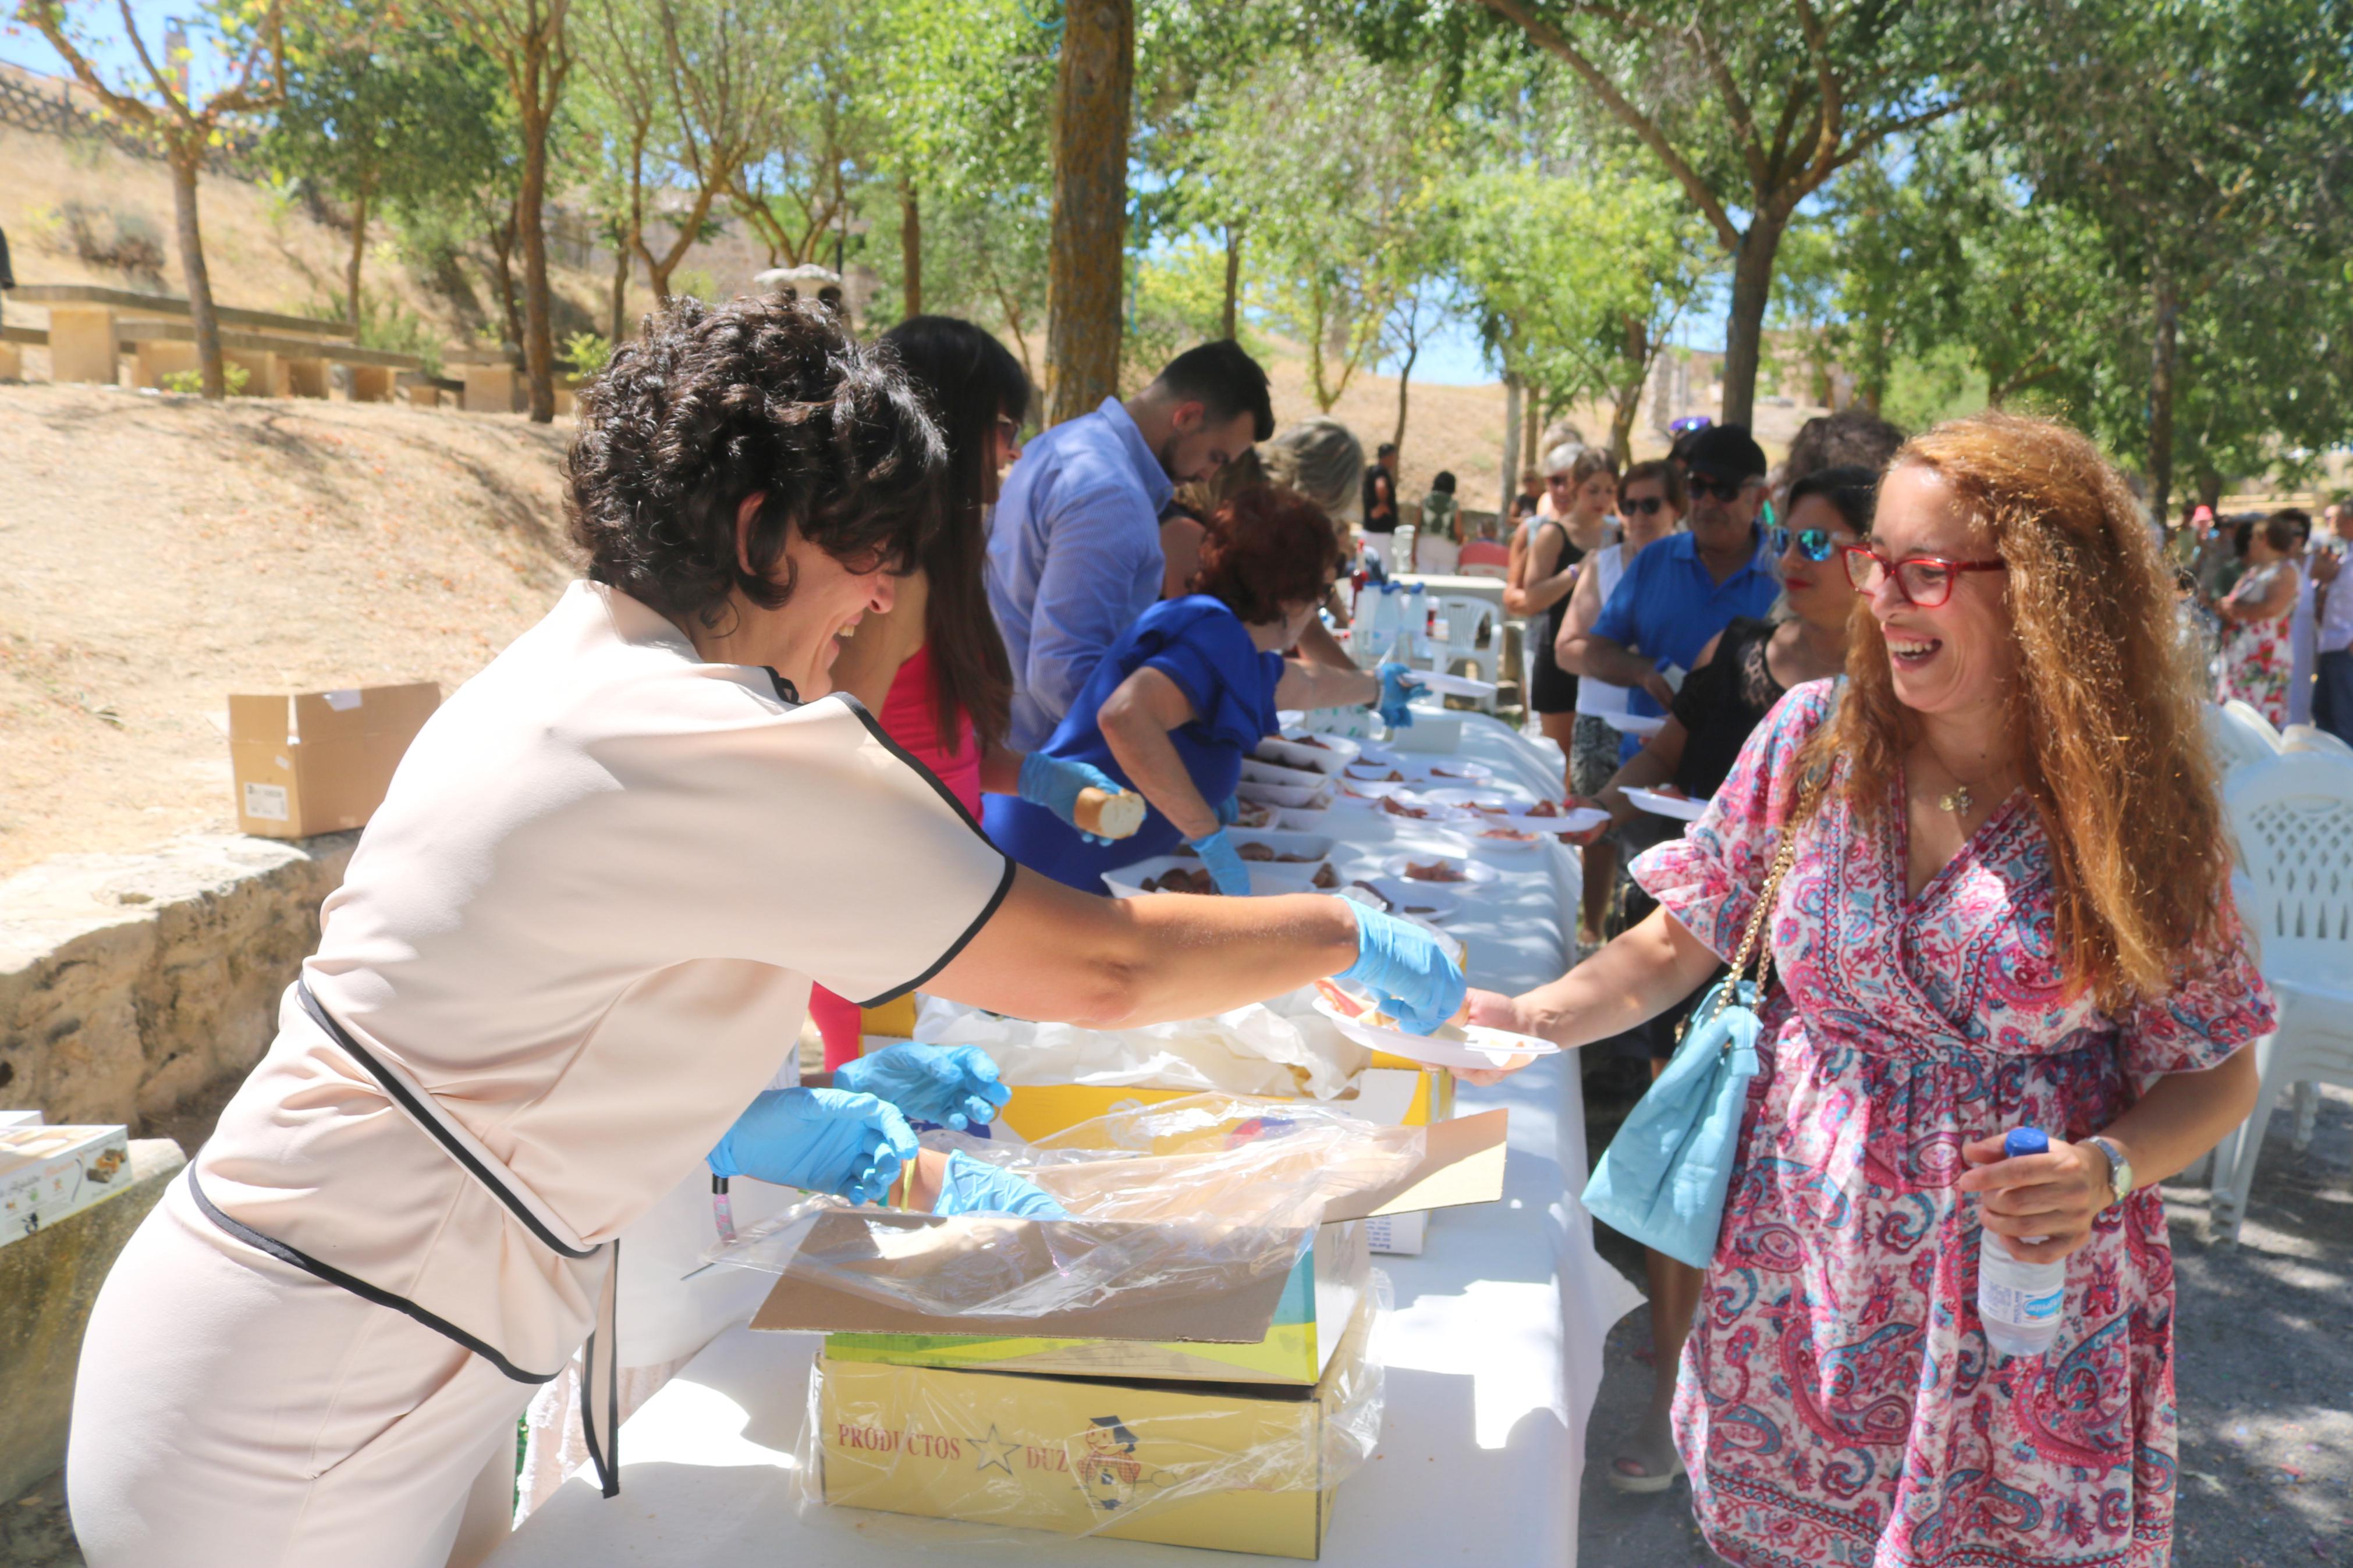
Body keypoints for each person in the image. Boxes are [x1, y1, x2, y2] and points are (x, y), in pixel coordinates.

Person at [65, 300, 1462, 1568]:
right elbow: (1105, 966)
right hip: (305, 1404)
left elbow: (538, 1022)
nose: (882, 600)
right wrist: (1337, 928)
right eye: (870, 557)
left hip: (318, 1346)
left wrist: (783, 1099)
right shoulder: (715, 740)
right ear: (758, 534)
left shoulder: (569, 670)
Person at [1468, 411, 2273, 1566]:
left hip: (2017, 1323)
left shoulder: (2132, 809)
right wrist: (1524, 1019)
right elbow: (1674, 944)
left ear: (2043, 589)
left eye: (1922, 570)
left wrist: (2103, 1168)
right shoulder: (1814, 739)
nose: (1880, 598)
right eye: (1872, 560)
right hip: (1799, 1288)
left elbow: (2215, 1070)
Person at [1571, 464, 1873, 1494]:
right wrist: (1595, 811)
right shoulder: (1739, 651)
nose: (1790, 558)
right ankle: (1672, 1401)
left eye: (1817, 542)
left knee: (1785, 1224)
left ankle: (1770, 1425)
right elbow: (1661, 758)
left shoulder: (1905, 695)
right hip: (1715, 953)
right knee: (1689, 1179)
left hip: (1820, 988)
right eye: (1787, 537)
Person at [809, 315, 1130, 1069]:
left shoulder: (938, 566)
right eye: (1003, 426)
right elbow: (834, 756)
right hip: (884, 936)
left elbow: (931, 746)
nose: (1013, 450)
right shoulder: (895, 578)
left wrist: (1036, 778)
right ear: (948, 424)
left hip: (933, 922)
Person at [986, 486, 1412, 893]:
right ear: (1289, 597)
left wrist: (1376, 687)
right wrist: (1206, 832)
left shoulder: (1217, 633)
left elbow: (1305, 685)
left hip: (1054, 857)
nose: (1320, 606)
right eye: (1323, 590)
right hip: (1047, 862)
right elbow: (1125, 716)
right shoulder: (1216, 634)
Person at [987, 339, 1275, 750]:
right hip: (1040, 755)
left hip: (1003, 739)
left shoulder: (1064, 443)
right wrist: (1174, 748)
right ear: (1188, 417)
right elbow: (1065, 676)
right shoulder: (1110, 494)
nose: (1208, 476)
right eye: (1216, 457)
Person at [1562, 423, 1779, 760]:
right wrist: (1642, 671)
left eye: (1724, 490)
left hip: (1745, 777)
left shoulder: (1784, 574)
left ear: (1760, 498)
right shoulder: (1654, 561)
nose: (1708, 501)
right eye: (1697, 487)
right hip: (1648, 768)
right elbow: (1597, 651)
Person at [1554, 458, 1682, 943]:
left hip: (1667, 729)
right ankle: (1592, 934)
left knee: (1659, 850)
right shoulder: (1603, 564)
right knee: (1597, 833)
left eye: (1650, 504)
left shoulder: (1692, 568)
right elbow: (1566, 649)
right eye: (1627, 505)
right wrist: (1630, 665)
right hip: (1602, 718)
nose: (1637, 515)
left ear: (1675, 508)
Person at [1509, 445, 1616, 830]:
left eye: (1609, 490)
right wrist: (1576, 572)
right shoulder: (1553, 534)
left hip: (1600, 660)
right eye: (1593, 490)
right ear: (1575, 487)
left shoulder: (1618, 534)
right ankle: (1553, 844)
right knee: (1558, 767)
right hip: (1556, 656)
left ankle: (1583, 847)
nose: (1601, 500)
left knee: (1593, 774)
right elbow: (1531, 596)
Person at [2212, 511, 2301, 725]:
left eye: (2253, 537)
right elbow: (2234, 602)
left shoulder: (2285, 571)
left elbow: (2271, 608)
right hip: (2240, 657)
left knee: (2259, 721)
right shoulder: (2255, 571)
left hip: (2264, 659)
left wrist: (2235, 609)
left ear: (2265, 540)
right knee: (2235, 718)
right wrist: (2224, 607)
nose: (2249, 542)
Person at [2313, 497, 2353, 743]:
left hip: (2346, 647)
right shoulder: (2344, 555)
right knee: (2324, 715)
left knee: (2345, 721)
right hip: (2331, 644)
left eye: (2338, 519)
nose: (2332, 524)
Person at [2279, 508, 2317, 726]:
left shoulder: (2317, 563)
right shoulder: (2269, 566)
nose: (2294, 537)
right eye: (2287, 531)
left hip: (2302, 642)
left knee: (2300, 692)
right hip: (2274, 643)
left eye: (2298, 532)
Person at [1361, 441, 1400, 536]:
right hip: (1381, 532)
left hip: (1371, 529)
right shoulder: (1381, 472)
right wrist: (1382, 506)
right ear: (1389, 457)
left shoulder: (1372, 471)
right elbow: (1381, 486)